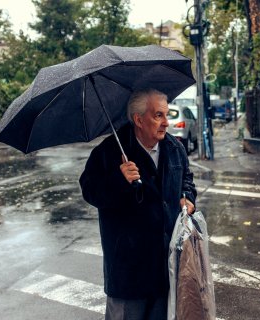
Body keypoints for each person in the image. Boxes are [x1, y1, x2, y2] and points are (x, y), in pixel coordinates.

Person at [79, 88, 197, 320]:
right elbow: (90, 191)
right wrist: (118, 180)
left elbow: (187, 180)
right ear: (139, 119)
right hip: (128, 271)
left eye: (166, 114)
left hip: (166, 266)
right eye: (158, 116)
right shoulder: (109, 151)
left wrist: (188, 197)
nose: (166, 122)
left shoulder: (174, 148)